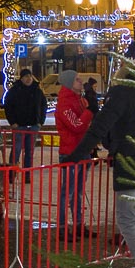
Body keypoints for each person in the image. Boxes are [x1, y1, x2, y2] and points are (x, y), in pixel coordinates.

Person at [64, 42, 135, 265]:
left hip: (131, 162)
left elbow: (100, 126)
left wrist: (78, 154)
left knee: (127, 219)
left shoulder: (121, 92)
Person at [54, 68, 94, 230]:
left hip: (82, 150)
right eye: (77, 79)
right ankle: (63, 226)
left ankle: (78, 224)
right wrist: (89, 112)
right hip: (70, 152)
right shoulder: (64, 103)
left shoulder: (80, 100)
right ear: (70, 83)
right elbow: (76, 125)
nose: (81, 81)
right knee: (68, 192)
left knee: (78, 191)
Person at [1, 68, 48, 171]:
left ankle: (27, 173)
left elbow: (44, 106)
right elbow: (8, 107)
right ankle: (12, 173)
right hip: (19, 125)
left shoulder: (37, 91)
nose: (28, 79)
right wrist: (13, 122)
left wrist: (40, 122)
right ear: (21, 78)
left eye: (30, 76)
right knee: (16, 150)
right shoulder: (14, 91)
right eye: (26, 76)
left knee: (29, 151)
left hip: (33, 126)